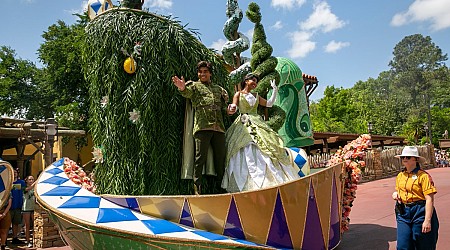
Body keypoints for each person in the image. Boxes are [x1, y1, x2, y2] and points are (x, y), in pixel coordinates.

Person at [222, 73, 301, 192]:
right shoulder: (238, 94)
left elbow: (269, 104)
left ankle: (270, 178)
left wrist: (274, 90)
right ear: (246, 80)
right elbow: (234, 106)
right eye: (252, 80)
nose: (254, 82)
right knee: (243, 146)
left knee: (266, 146)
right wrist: (231, 108)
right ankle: (245, 181)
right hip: (242, 124)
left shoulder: (257, 96)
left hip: (257, 121)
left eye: (256, 81)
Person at [172, 61, 229, 195]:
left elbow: (225, 106)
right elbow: (187, 93)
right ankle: (197, 188)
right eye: (200, 72)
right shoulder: (195, 86)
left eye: (205, 71)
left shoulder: (219, 89)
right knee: (200, 158)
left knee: (220, 159)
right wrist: (181, 88)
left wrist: (230, 109)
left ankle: (222, 187)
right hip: (202, 126)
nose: (202, 74)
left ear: (210, 73)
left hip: (218, 127)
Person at [392, 146, 439, 250]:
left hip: (420, 210)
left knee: (423, 244)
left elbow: (429, 199)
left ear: (416, 159)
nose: (404, 159)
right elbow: (398, 190)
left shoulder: (423, 176)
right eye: (403, 157)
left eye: (408, 157)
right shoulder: (400, 175)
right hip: (403, 211)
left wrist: (427, 220)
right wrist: (395, 194)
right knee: (402, 245)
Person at [11, 169, 26, 245]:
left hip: (18, 206)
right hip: (9, 207)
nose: (14, 174)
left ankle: (15, 238)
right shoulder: (7, 182)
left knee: (16, 223)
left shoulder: (21, 182)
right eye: (13, 173)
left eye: (15, 172)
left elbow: (26, 190)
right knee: (6, 224)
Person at [22, 175, 36, 248]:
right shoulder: (24, 187)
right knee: (27, 225)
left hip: (34, 208)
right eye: (30, 179)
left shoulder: (35, 188)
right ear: (26, 180)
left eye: (33, 179)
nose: (31, 181)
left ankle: (34, 239)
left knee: (34, 225)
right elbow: (28, 189)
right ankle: (28, 241)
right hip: (26, 208)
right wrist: (35, 183)